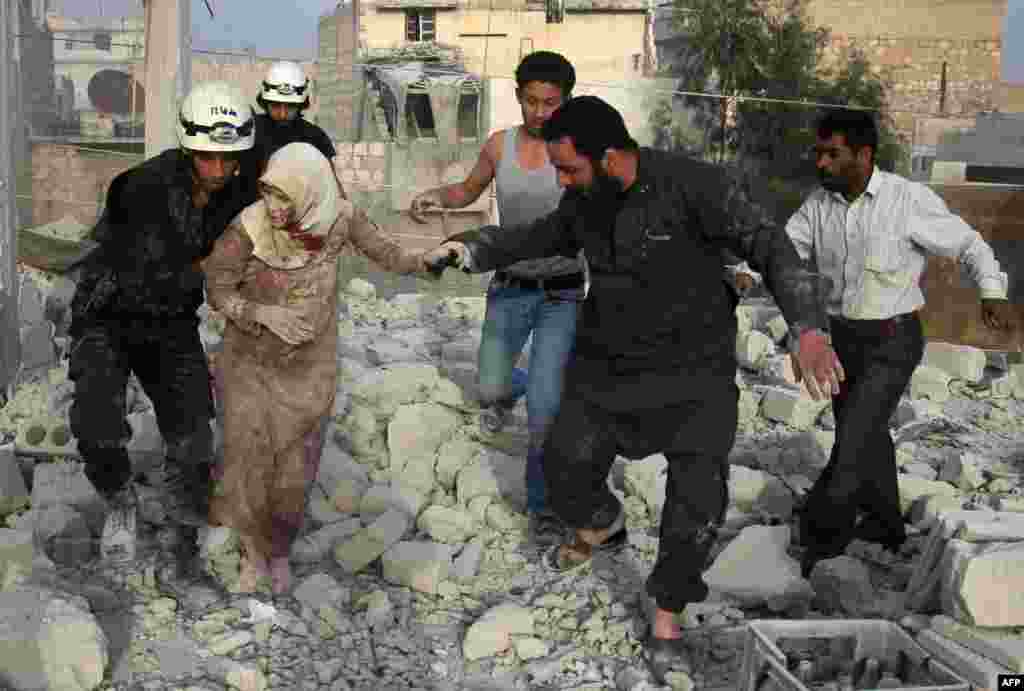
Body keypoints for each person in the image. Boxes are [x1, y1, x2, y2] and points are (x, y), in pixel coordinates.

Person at [423, 95, 845, 681]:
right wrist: (472, 248)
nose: (562, 181)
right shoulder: (584, 202)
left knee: (696, 505)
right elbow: (537, 236)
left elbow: (771, 246)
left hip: (696, 377)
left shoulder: (696, 185)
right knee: (564, 470)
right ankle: (603, 524)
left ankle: (668, 614)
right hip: (606, 372)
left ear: (611, 155)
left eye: (569, 168)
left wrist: (807, 329)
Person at [202, 142, 441, 595]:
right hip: (249, 364)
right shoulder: (247, 229)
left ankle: (278, 551)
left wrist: (422, 262)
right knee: (245, 462)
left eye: (284, 198)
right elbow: (216, 288)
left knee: (296, 469)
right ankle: (251, 553)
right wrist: (263, 313)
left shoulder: (339, 219)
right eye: (268, 193)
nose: (272, 207)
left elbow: (386, 252)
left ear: (311, 194)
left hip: (309, 369)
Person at [785, 109, 1014, 577]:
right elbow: (783, 252)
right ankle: (887, 526)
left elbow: (969, 245)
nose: (822, 164)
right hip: (841, 338)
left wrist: (992, 291)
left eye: (833, 154)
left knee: (852, 441)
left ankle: (818, 540)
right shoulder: (816, 206)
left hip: (893, 339)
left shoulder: (906, 201)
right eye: (819, 153)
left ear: (863, 155)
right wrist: (746, 275)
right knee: (865, 433)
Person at [68, 81, 259, 561]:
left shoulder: (240, 188)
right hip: (107, 313)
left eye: (228, 158)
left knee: (194, 434)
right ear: (187, 146)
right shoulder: (142, 187)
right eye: (206, 157)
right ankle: (119, 500)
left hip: (169, 319)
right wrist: (222, 273)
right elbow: (157, 271)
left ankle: (184, 523)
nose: (217, 170)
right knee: (97, 423)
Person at [409, 51, 584, 546]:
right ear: (518, 98)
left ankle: (543, 507)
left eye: (550, 103)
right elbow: (467, 191)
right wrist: (436, 198)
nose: (540, 112)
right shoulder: (499, 146)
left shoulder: (576, 151)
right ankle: (520, 383)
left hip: (563, 292)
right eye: (531, 101)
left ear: (565, 101)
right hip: (509, 286)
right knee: (491, 387)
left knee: (545, 411)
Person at [247, 61, 342, 190]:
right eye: (275, 105)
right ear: (265, 102)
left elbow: (331, 183)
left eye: (290, 107)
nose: (282, 114)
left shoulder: (315, 136)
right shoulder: (249, 130)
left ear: (301, 105)